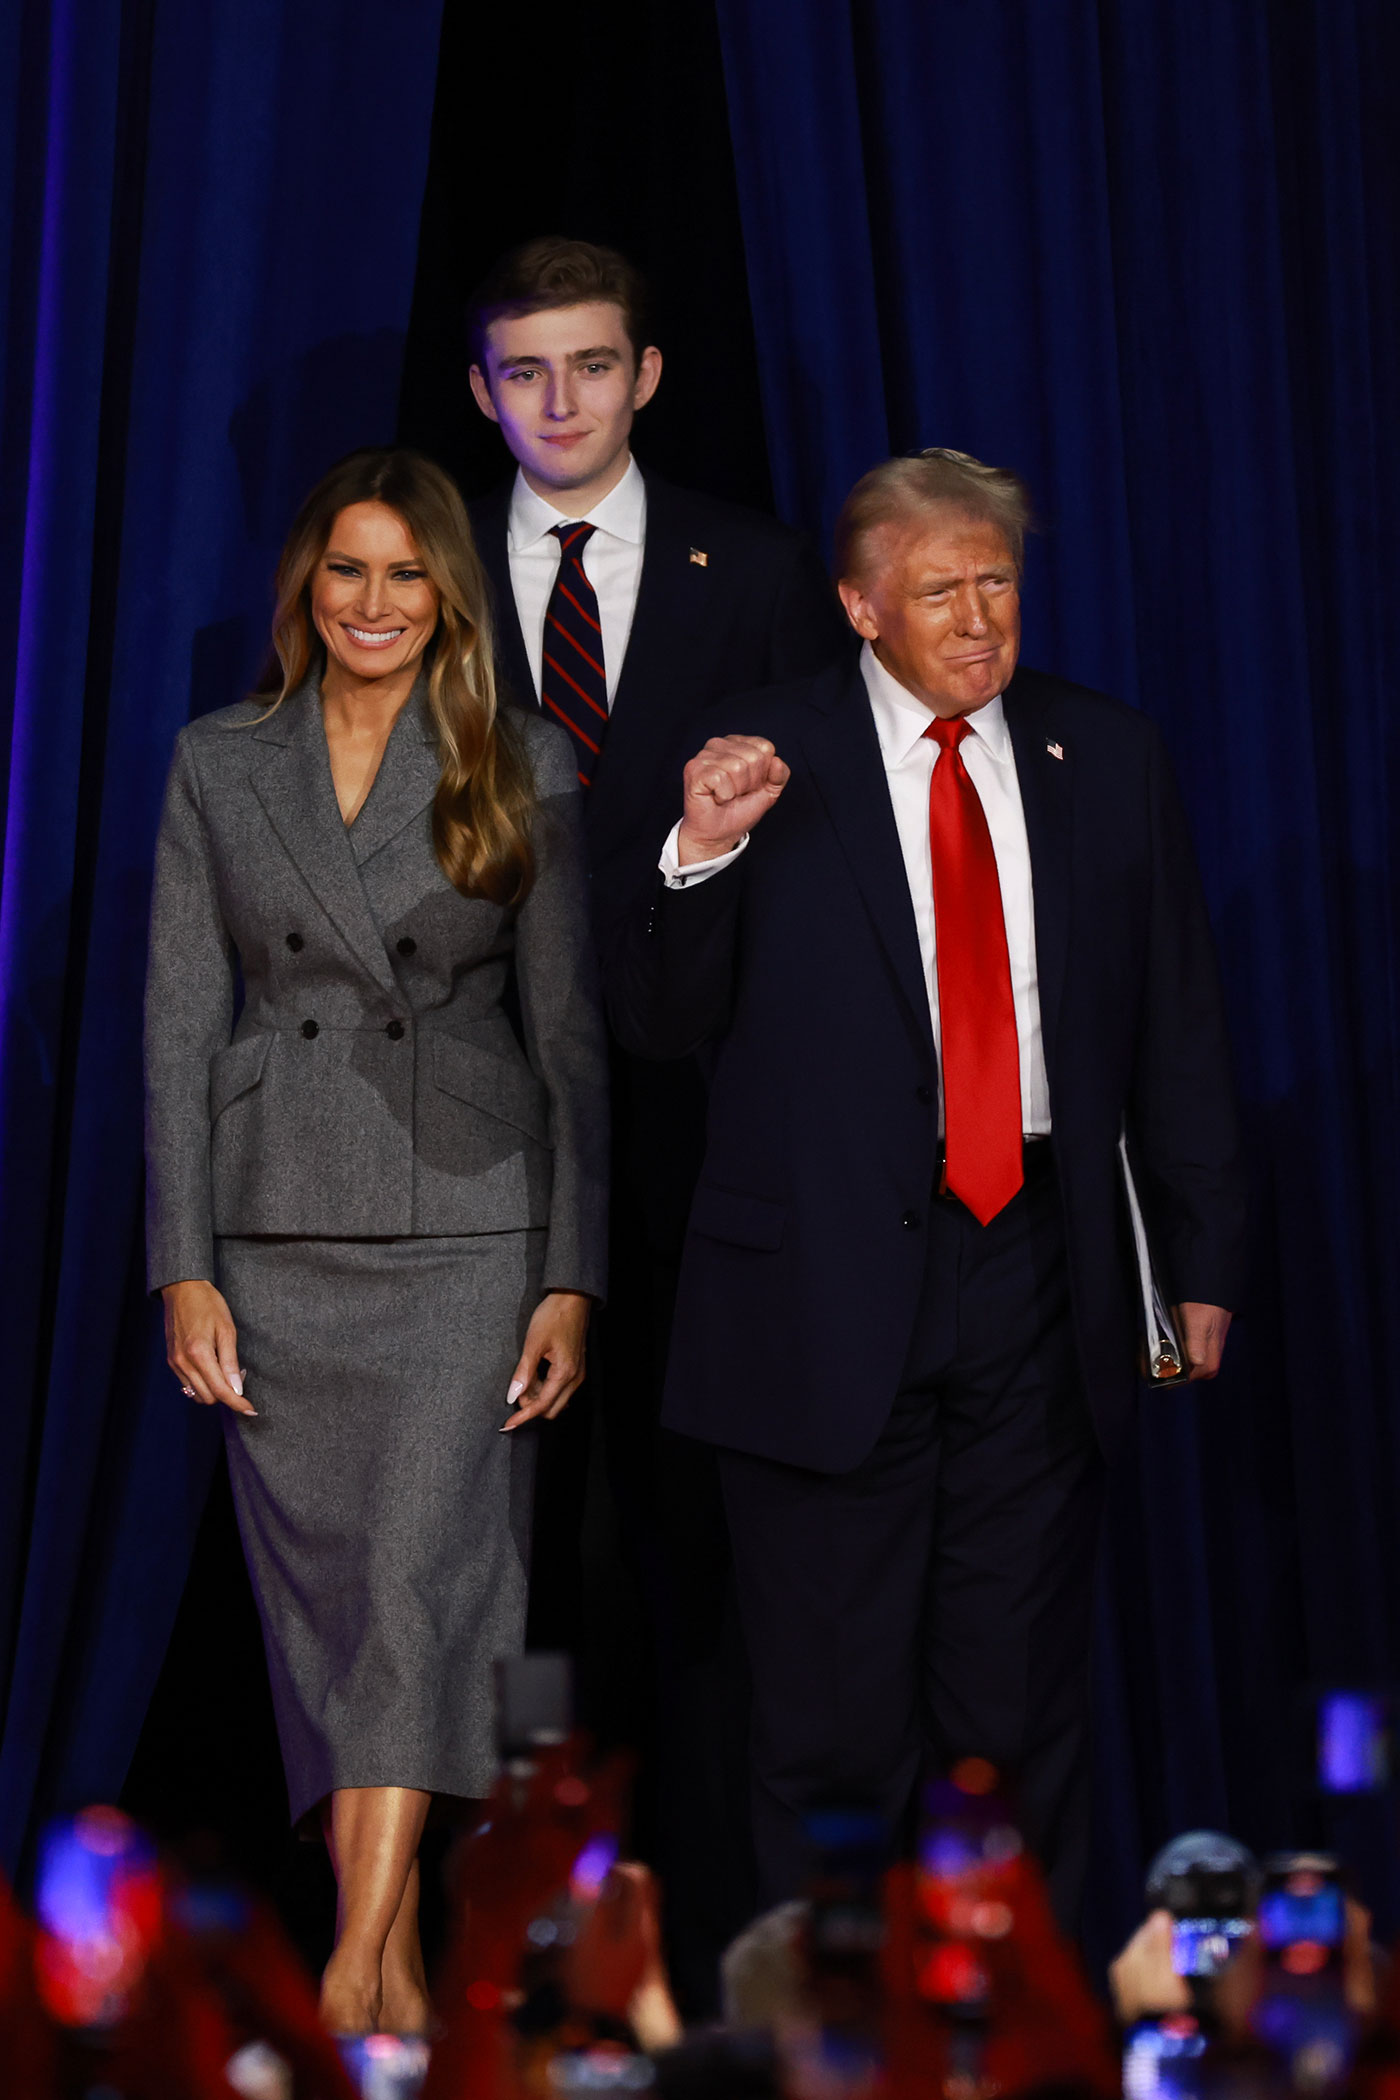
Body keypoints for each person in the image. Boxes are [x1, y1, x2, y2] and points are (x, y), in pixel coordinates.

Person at [604, 448, 1249, 1929]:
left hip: (1039, 1276)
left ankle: (1002, 2045)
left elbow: (1178, 1028)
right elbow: (655, 1018)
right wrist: (700, 852)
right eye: (939, 589)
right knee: (830, 1734)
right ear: (859, 605)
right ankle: (830, 2042)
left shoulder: (1111, 757)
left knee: (1013, 1726)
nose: (976, 619)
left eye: (998, 582)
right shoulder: (758, 748)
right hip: (819, 1300)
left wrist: (1201, 1261)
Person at [144, 448, 608, 2037]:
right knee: (337, 1617)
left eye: (407, 574)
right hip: (275, 1230)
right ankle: (396, 1979)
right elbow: (178, 1025)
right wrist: (182, 1260)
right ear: (305, 587)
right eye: (348, 571)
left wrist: (574, 1274)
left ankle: (347, 1967)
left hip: (470, 1234)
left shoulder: (519, 757)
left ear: (448, 597)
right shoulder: (219, 761)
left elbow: (572, 1044)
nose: (375, 603)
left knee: (424, 1585)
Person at [465, 236, 847, 2004]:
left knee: (694, 1553)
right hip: (467, 1134)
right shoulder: (420, 571)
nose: (561, 403)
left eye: (592, 367)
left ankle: (706, 1965)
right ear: (484, 392)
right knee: (505, 1559)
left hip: (701, 1137)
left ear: (649, 375)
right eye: (527, 373)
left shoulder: (758, 572)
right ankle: (528, 1962)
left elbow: (814, 861)